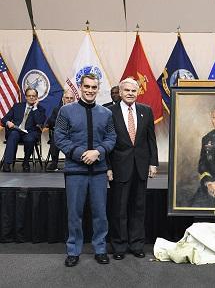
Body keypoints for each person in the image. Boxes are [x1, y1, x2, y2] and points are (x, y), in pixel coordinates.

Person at [54, 74, 116, 267]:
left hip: (98, 172)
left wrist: (98, 152)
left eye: (94, 87)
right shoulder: (66, 111)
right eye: (87, 87)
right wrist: (82, 154)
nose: (90, 90)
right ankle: (73, 250)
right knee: (74, 213)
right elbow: (60, 137)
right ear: (80, 88)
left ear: (98, 89)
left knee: (100, 213)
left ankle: (100, 249)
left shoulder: (106, 113)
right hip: (75, 171)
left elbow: (111, 137)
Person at [107, 78, 158, 260]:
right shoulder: (109, 112)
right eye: (126, 90)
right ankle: (119, 246)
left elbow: (151, 139)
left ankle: (137, 244)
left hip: (141, 167)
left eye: (133, 90)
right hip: (119, 167)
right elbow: (105, 142)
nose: (130, 93)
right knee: (119, 209)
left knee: (138, 208)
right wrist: (108, 167)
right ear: (120, 93)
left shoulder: (146, 111)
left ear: (138, 93)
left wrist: (153, 163)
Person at [1, 87, 46, 172]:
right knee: (13, 134)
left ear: (37, 97)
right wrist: (8, 122)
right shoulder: (17, 106)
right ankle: (7, 163)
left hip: (30, 133)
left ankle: (26, 162)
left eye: (33, 96)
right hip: (16, 131)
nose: (31, 97)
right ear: (26, 97)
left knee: (30, 139)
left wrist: (35, 108)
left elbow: (40, 121)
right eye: (29, 96)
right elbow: (4, 119)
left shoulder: (40, 109)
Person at [45, 90, 75, 171]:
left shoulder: (78, 110)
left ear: (74, 99)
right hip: (61, 133)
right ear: (63, 99)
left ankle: (72, 162)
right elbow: (50, 122)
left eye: (71, 98)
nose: (69, 100)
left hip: (73, 134)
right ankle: (54, 163)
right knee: (55, 138)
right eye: (67, 98)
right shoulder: (57, 109)